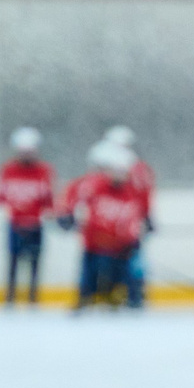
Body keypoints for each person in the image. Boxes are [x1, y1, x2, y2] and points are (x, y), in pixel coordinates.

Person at [57, 141, 150, 313]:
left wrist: (132, 238)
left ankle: (126, 298)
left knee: (127, 273)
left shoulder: (131, 192)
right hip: (94, 242)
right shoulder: (94, 186)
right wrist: (66, 215)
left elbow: (133, 217)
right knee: (89, 274)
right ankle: (86, 297)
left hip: (119, 246)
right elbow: (72, 196)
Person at [0, 127, 56, 307]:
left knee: (35, 264)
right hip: (15, 224)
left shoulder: (43, 171)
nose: (27, 155)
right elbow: (1, 194)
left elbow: (49, 199)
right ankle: (10, 296)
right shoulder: (9, 170)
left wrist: (59, 214)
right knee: (12, 262)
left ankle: (32, 297)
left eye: (30, 151)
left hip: (35, 225)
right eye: (23, 152)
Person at [100, 126, 157, 308]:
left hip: (129, 223)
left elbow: (144, 195)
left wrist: (146, 216)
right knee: (121, 260)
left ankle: (134, 294)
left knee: (133, 260)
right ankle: (123, 294)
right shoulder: (109, 167)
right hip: (114, 223)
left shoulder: (137, 168)